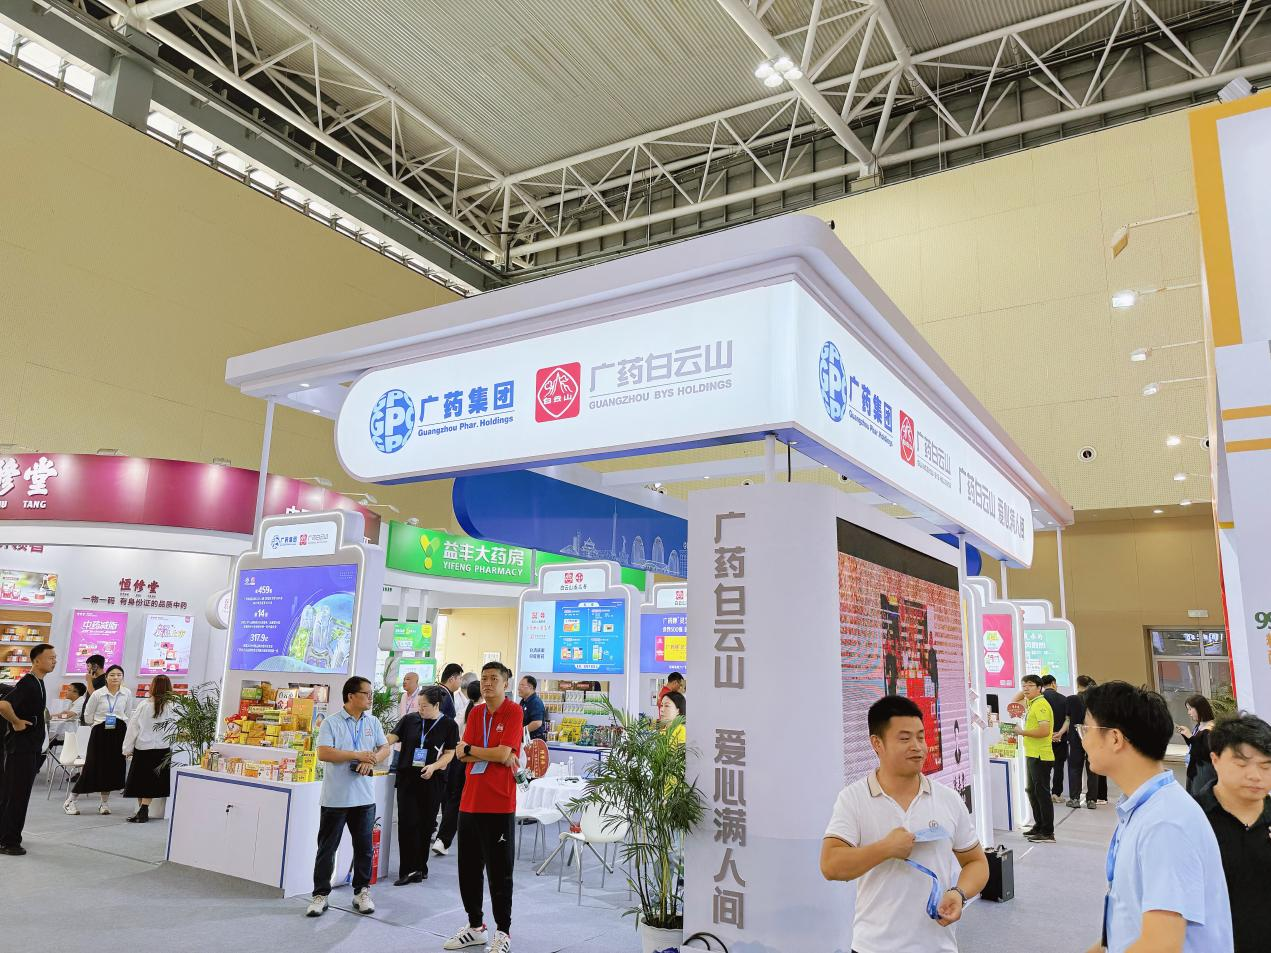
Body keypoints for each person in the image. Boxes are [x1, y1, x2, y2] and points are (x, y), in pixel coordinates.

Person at [821, 695, 989, 953]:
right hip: (873, 947)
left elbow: (977, 863)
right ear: (877, 743)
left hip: (938, 946)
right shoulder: (853, 799)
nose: (917, 747)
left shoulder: (948, 799)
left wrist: (959, 893)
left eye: (921, 737)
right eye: (904, 738)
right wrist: (886, 848)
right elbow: (831, 865)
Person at [1080, 681, 1232, 953]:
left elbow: (1161, 945)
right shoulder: (1145, 808)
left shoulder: (1166, 823)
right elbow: (1130, 925)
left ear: (1114, 738)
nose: (1083, 739)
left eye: (1086, 729)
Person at [443, 662, 522, 953]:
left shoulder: (513, 711)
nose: (487, 683)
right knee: (468, 870)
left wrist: (474, 750)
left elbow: (503, 754)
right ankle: (475, 927)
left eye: (494, 679)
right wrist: (485, 753)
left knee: (500, 873)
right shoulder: (476, 713)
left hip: (499, 804)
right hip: (470, 802)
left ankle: (503, 932)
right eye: (484, 678)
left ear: (505, 683)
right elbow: (460, 755)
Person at [305, 675, 392, 918]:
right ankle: (320, 895)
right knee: (327, 849)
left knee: (364, 848)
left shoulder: (372, 721)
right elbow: (324, 753)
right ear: (351, 696)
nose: (370, 698)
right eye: (366, 694)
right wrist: (356, 755)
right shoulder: (331, 722)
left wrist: (371, 759)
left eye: (371, 694)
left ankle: (361, 891)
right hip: (336, 798)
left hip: (364, 798)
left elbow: (384, 747)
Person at [1198, 714, 1271, 953]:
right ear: (1215, 759)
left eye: (1266, 766)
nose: (1255, 776)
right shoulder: (1192, 819)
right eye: (1241, 764)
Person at [389, 684, 458, 885]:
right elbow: (392, 738)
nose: (420, 709)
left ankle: (420, 867)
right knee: (407, 823)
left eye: (424, 706)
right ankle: (408, 869)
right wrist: (377, 742)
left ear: (436, 705)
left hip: (432, 780)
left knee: (426, 824)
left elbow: (449, 754)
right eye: (418, 705)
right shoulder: (409, 720)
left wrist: (434, 767)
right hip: (408, 779)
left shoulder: (449, 725)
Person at [0, 643, 56, 855]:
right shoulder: (28, 683)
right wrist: (16, 722)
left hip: (30, 747)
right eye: (50, 658)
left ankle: (8, 835)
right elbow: (3, 705)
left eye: (55, 658)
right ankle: (8, 841)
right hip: (21, 748)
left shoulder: (38, 682)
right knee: (16, 795)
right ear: (36, 660)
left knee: (16, 794)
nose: (54, 661)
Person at [66, 664, 131, 816]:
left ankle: (104, 803)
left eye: (119, 675)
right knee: (92, 767)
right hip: (100, 733)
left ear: (122, 677)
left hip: (119, 732)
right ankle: (70, 801)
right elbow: (88, 715)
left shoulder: (126, 693)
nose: (115, 677)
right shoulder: (98, 694)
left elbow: (127, 714)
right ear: (106, 677)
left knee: (112, 768)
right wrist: (98, 724)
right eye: (112, 675)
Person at [435, 677, 484, 858]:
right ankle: (474, 838)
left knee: (454, 799)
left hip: (457, 759)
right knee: (475, 800)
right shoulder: (484, 712)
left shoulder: (463, 711)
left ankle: (442, 840)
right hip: (477, 761)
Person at [122, 674, 175, 824]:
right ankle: (142, 811)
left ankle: (143, 810)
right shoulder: (172, 706)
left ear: (152, 686)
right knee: (152, 781)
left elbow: (133, 728)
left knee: (140, 780)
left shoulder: (144, 705)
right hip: (162, 749)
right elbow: (174, 729)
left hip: (143, 748)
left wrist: (127, 748)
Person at [1019, 674, 1056, 843]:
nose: (1025, 688)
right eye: (1024, 685)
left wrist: (1022, 732)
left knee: (1041, 793)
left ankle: (1048, 832)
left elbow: (1044, 731)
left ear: (1040, 688)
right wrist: (1025, 691)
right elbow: (1013, 702)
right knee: (1032, 791)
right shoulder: (1031, 703)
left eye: (1030, 685)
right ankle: (1039, 825)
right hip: (1032, 754)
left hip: (1041, 755)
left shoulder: (1041, 704)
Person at [1065, 676, 1098, 809]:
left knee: (1075, 768)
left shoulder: (1071, 699)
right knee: (1093, 769)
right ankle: (1092, 800)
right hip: (1093, 737)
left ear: (1078, 685)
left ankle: (1075, 799)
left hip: (1075, 738)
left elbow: (1067, 719)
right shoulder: (1096, 700)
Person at [1178, 694, 1217, 798]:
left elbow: (1204, 753)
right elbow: (1194, 747)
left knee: (1201, 800)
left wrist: (1190, 737)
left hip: (1203, 773)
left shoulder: (1210, 729)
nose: (1189, 713)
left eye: (1190, 709)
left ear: (1199, 708)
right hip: (1194, 770)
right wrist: (1187, 736)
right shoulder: (1199, 725)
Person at [1040, 674, 1068, 802]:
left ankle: (1044, 793)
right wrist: (1059, 733)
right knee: (1059, 767)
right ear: (1053, 683)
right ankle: (1056, 794)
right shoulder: (1064, 699)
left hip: (1044, 738)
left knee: (1044, 767)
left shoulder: (1040, 699)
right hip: (1060, 738)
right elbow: (1068, 719)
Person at [517, 675, 548, 742]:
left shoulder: (535, 702)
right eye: (519, 685)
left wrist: (520, 732)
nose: (519, 688)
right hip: (525, 739)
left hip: (534, 741)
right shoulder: (523, 701)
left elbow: (537, 723)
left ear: (530, 687)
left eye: (522, 685)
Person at [80, 655, 107, 723]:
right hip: (87, 716)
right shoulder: (95, 679)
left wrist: (89, 680)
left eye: (88, 666)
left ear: (95, 666)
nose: (87, 669)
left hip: (95, 719)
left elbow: (94, 696)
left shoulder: (105, 679)